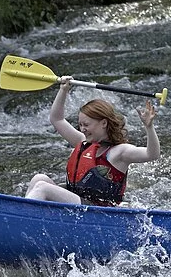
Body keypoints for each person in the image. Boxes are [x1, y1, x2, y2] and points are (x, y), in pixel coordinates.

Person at [25, 77, 160, 206]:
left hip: (98, 211)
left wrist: (149, 127)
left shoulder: (120, 152)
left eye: (86, 125)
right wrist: (63, 90)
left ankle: (21, 216)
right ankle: (25, 216)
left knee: (43, 188)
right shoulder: (82, 142)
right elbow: (56, 119)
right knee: (39, 178)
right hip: (76, 204)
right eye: (80, 125)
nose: (82, 129)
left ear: (103, 123)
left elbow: (152, 154)